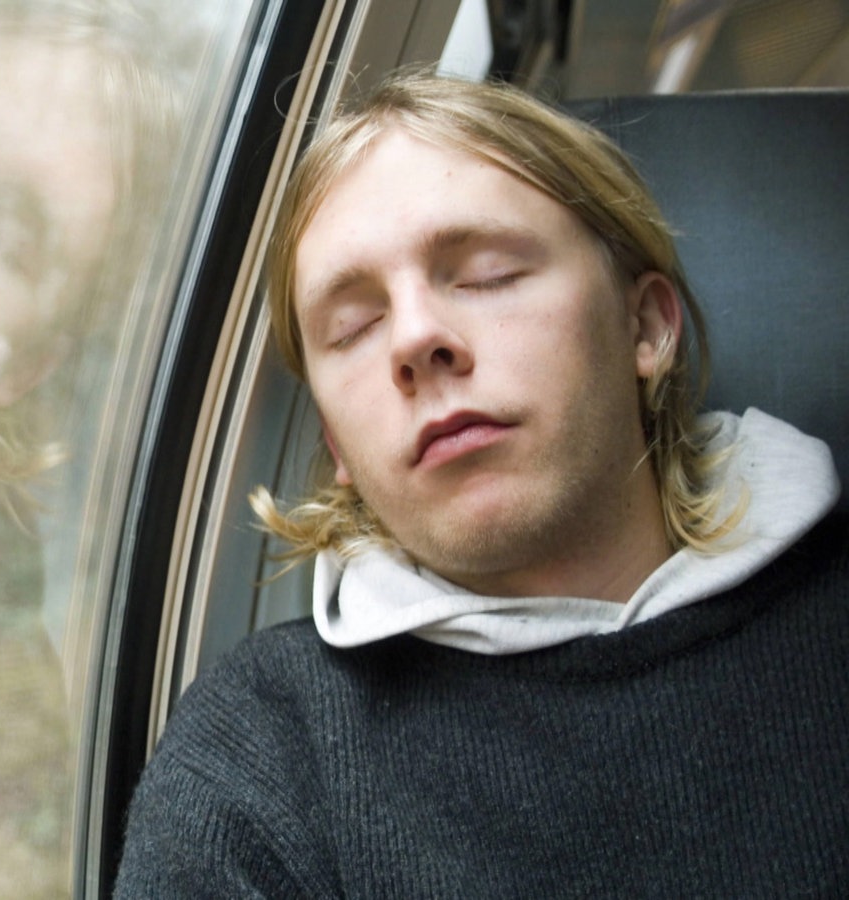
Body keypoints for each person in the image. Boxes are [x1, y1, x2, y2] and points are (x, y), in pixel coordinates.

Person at [116, 70, 848, 897]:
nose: (418, 336)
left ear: (643, 327)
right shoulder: (260, 754)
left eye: (489, 274)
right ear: (337, 445)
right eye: (354, 325)